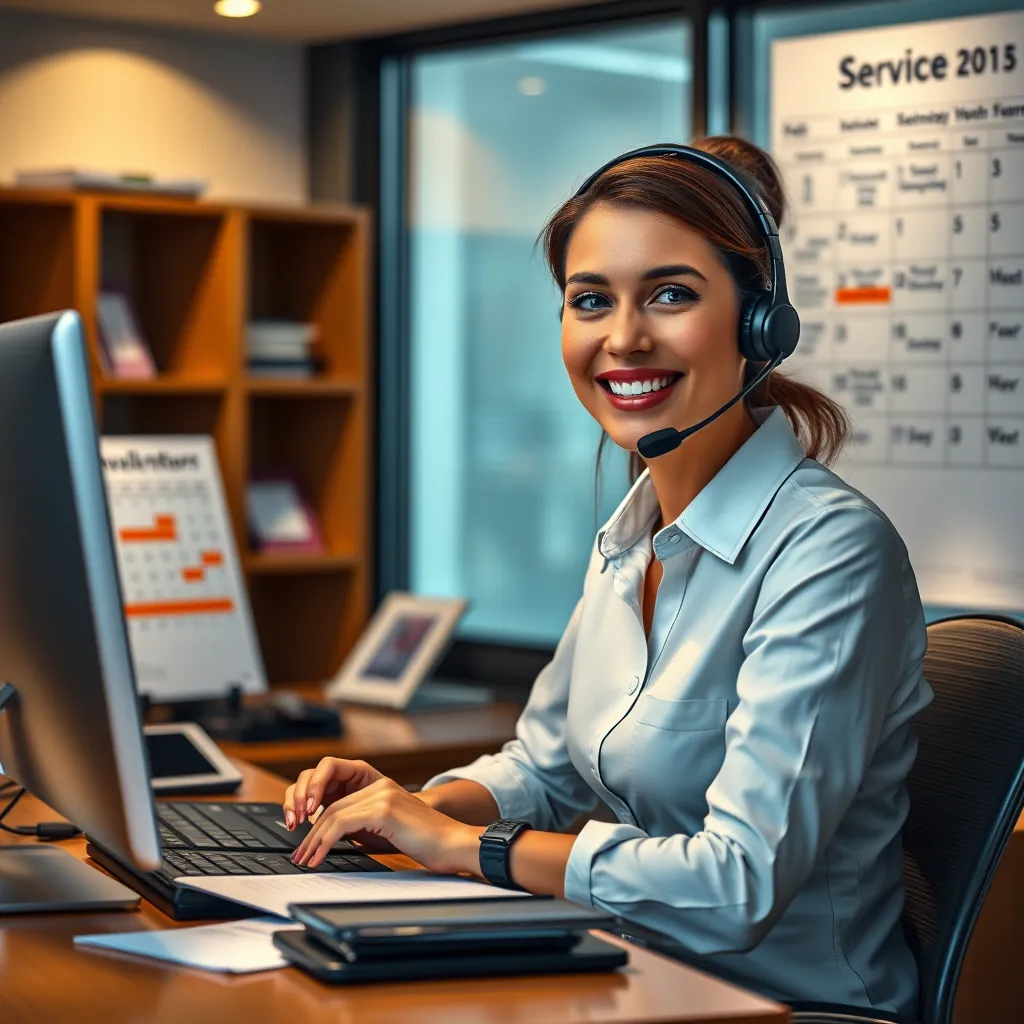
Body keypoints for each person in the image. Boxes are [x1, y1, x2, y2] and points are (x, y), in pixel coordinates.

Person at [283, 136, 932, 1015]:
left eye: (670, 294)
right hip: (621, 977)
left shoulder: (828, 552)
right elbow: (546, 772)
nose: (623, 337)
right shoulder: (630, 538)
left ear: (758, 324)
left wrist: (461, 847)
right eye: (591, 300)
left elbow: (737, 884)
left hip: (783, 1008)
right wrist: (408, 808)